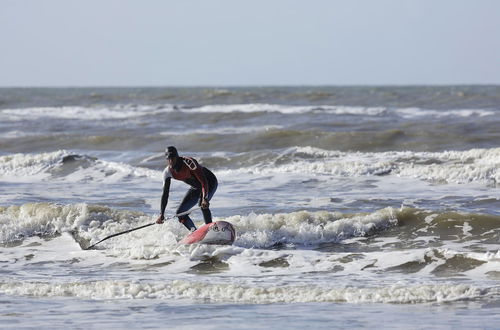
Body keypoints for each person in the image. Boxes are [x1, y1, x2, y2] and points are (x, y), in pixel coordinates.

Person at [156, 146, 218, 231]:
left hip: (210, 183)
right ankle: (194, 232)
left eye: (173, 158)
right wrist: (162, 214)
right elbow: (165, 194)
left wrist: (205, 198)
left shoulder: (189, 162)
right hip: (196, 188)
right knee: (180, 213)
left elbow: (204, 181)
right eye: (169, 159)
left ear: (177, 157)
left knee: (202, 204)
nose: (171, 161)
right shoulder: (167, 172)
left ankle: (211, 229)